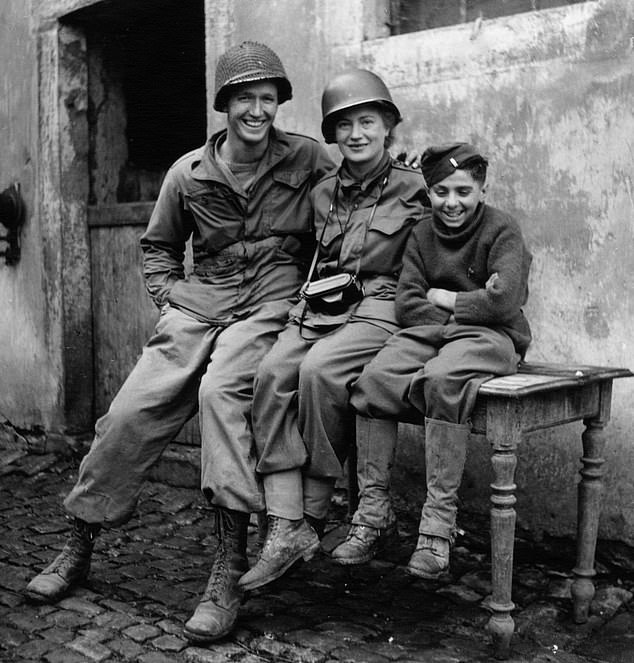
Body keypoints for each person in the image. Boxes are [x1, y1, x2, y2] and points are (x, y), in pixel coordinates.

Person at [25, 41, 334, 644]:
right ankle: (77, 543)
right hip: (199, 303)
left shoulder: (308, 158)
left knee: (224, 398)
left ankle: (227, 570)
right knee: (126, 415)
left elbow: (350, 204)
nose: (258, 110)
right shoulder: (188, 172)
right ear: (225, 104)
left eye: (268, 98)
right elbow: (159, 247)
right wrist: (169, 299)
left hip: (270, 303)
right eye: (245, 98)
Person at [238, 69, 428, 592]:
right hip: (324, 303)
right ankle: (284, 522)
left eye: (367, 121)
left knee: (319, 371)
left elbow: (445, 249)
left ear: (388, 125)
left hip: (382, 305)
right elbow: (296, 249)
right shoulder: (322, 193)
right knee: (272, 372)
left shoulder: (416, 188)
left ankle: (314, 510)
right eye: (344, 126)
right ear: (332, 134)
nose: (356, 134)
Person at [337, 142, 532, 578]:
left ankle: (438, 527)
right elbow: (407, 303)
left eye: (463, 191)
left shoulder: (503, 230)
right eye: (441, 192)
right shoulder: (421, 234)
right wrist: (465, 305)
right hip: (431, 333)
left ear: (482, 188)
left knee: (443, 378)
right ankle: (372, 514)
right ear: (429, 192)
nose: (452, 202)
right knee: (375, 380)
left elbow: (504, 302)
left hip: (491, 337)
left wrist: (446, 297)